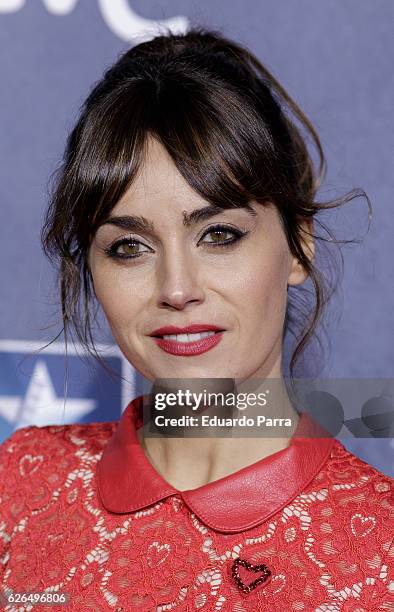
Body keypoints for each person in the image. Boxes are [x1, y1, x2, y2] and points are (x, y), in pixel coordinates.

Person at [0, 26, 392, 612]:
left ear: (298, 248)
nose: (176, 289)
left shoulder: (382, 553)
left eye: (219, 235)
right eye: (129, 247)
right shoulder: (17, 485)